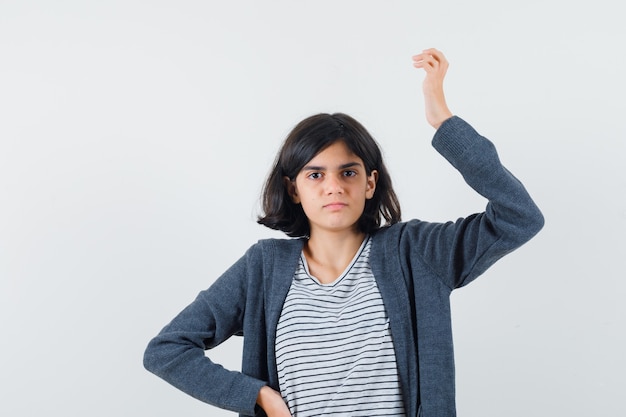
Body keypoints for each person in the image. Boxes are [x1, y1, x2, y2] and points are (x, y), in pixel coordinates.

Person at [143, 48, 544, 417]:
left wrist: (443, 121)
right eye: (315, 174)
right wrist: (257, 395)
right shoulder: (263, 269)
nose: (333, 186)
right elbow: (167, 350)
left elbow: (518, 216)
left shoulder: (416, 253)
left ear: (369, 184)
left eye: (347, 172)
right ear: (293, 188)